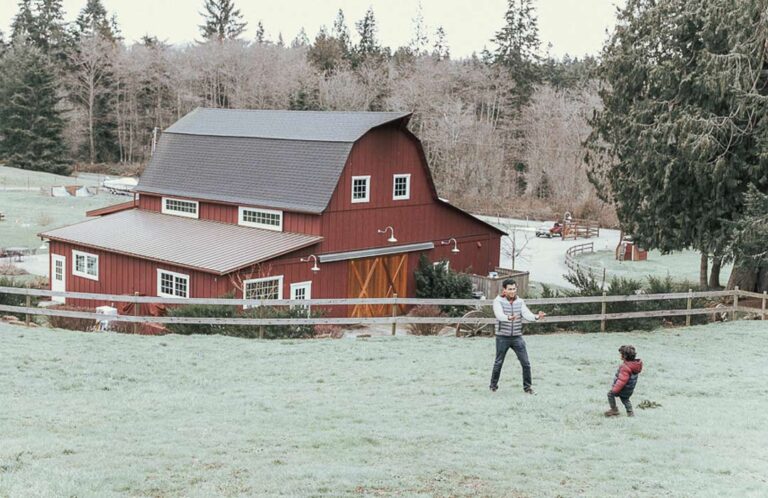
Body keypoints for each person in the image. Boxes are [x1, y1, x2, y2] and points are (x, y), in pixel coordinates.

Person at [489, 279, 545, 394]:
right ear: (504, 290)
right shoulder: (498, 301)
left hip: (517, 337)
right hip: (502, 337)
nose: (512, 291)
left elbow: (527, 314)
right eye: (510, 289)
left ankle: (528, 388)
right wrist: (508, 318)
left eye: (514, 289)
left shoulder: (520, 301)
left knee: (526, 363)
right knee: (498, 362)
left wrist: (536, 317)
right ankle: (493, 386)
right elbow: (499, 315)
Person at [605, 345, 643, 417]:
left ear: (625, 356)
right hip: (629, 389)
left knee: (610, 394)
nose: (620, 356)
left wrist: (614, 390)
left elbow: (622, 380)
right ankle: (630, 413)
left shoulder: (625, 367)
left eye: (621, 354)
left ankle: (614, 410)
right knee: (625, 399)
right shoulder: (635, 365)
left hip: (622, 388)